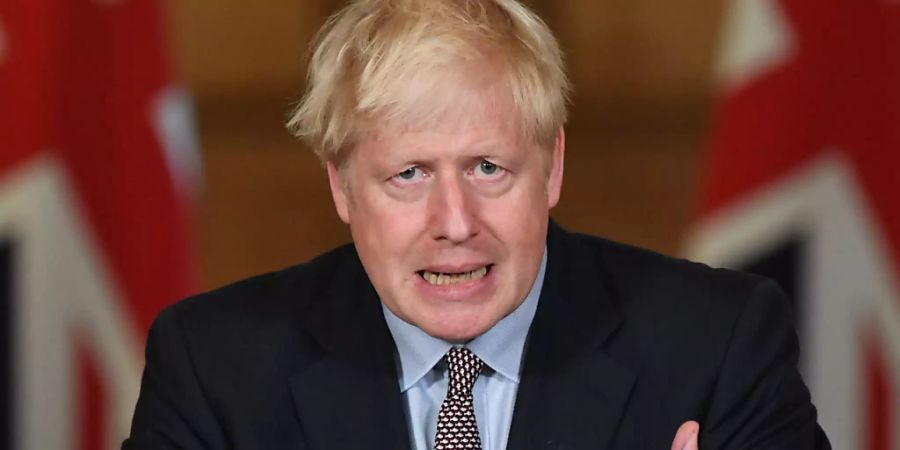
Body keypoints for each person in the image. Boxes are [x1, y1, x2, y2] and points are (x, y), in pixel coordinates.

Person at [123, 0, 830, 449]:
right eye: (410, 175)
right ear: (341, 185)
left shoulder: (717, 347)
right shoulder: (215, 369)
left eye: (489, 168)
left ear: (552, 167)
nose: (455, 223)